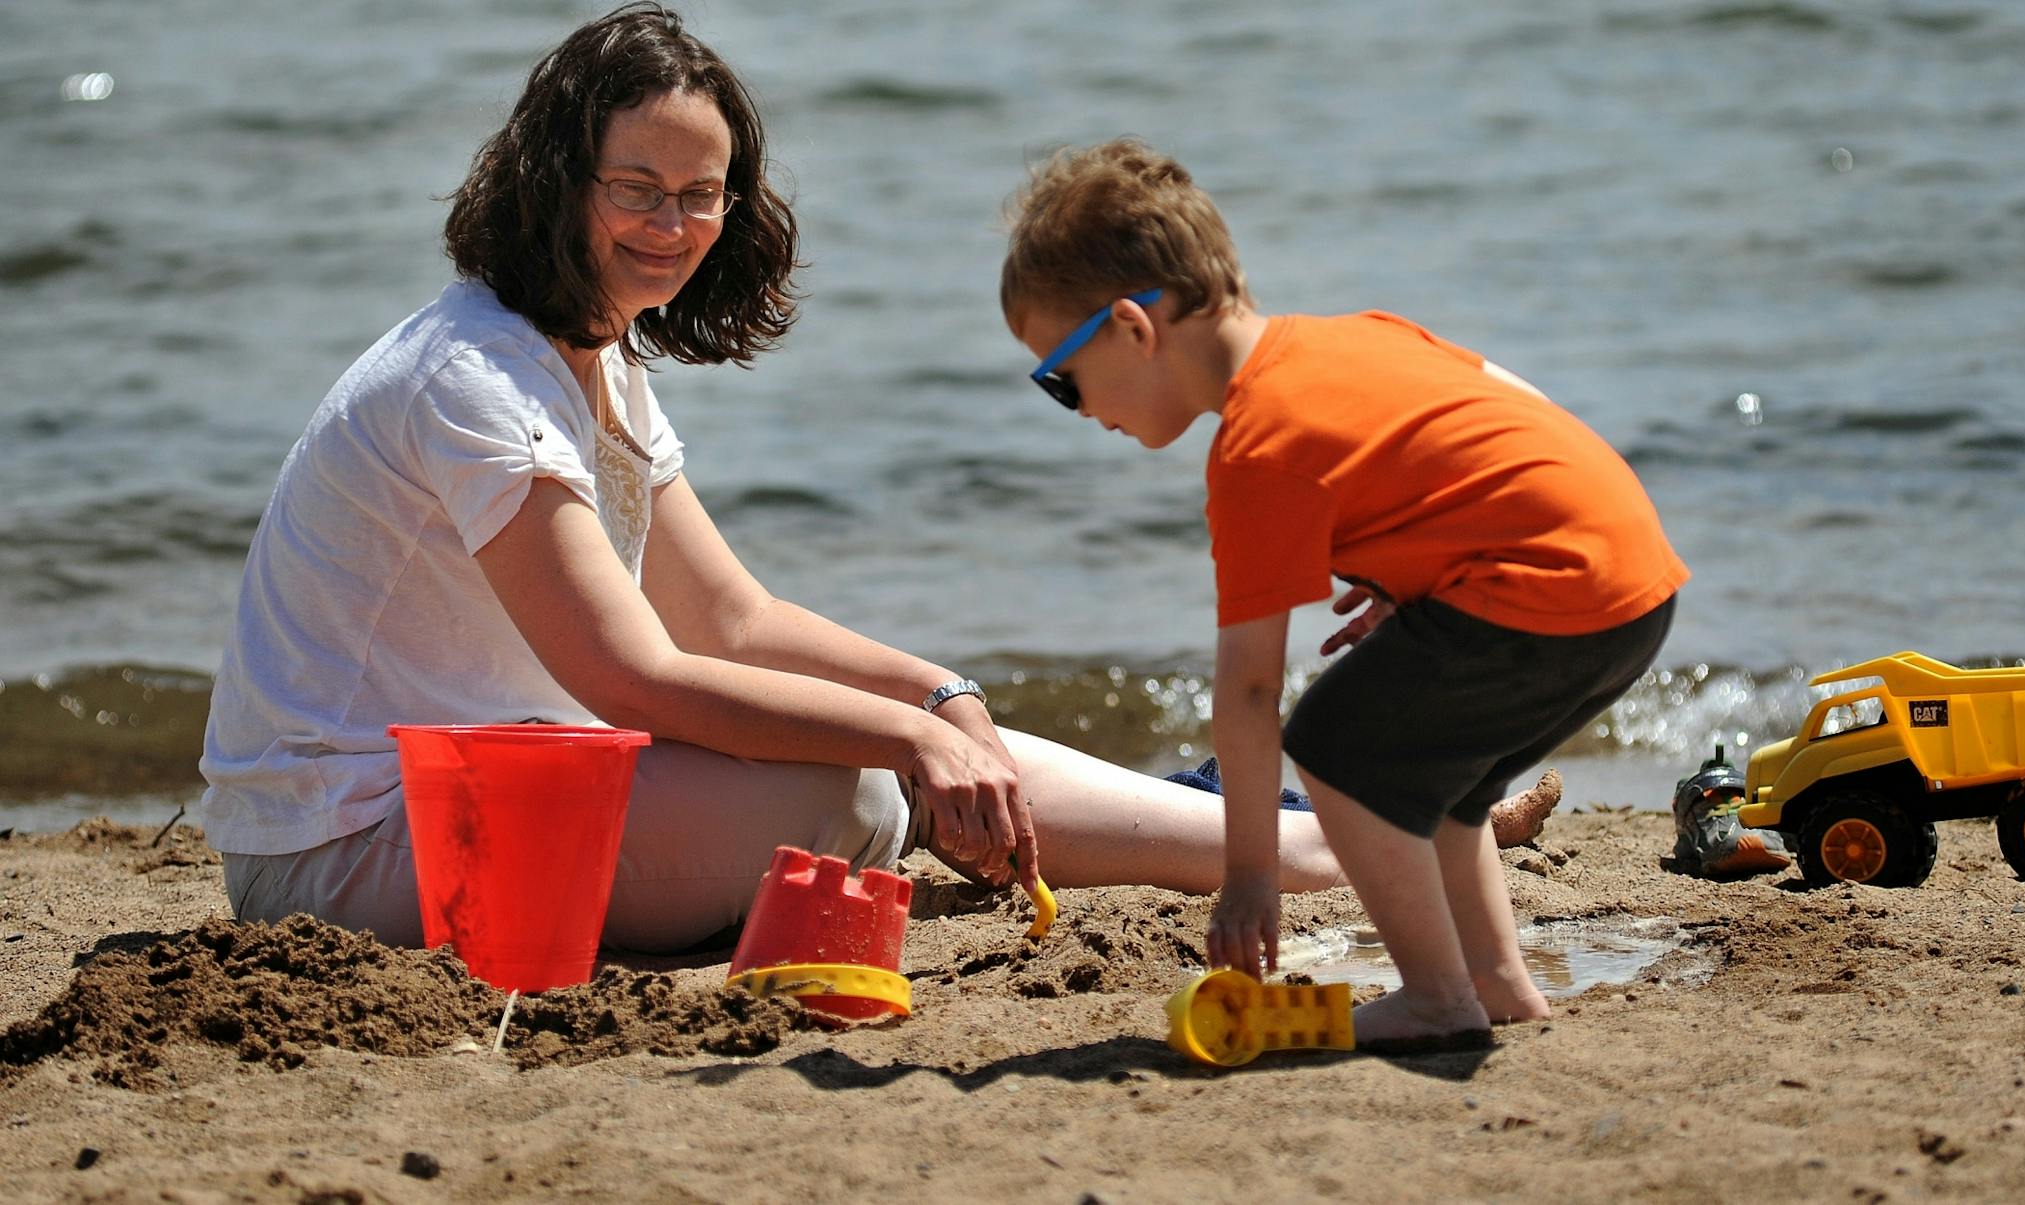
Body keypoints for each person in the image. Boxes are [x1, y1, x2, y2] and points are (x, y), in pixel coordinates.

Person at [198, 4, 1357, 954]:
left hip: (496, 787)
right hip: (338, 851)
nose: (675, 223)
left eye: (702, 193)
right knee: (848, 793)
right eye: (637, 187)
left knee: (918, 745)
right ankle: (1257, 823)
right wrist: (910, 744)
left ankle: (1307, 841)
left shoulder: (593, 362)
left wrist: (940, 695)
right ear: (557, 179)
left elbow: (735, 621)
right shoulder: (475, 377)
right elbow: (637, 673)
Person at [998, 140, 1688, 1044]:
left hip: (1552, 592)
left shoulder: (1256, 448)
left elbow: (1249, 689)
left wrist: (1249, 872)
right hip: (1628, 571)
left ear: (1132, 327)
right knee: (1436, 780)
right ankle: (1498, 984)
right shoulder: (1354, 337)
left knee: (1333, 746)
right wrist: (1440, 571)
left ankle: (1440, 996)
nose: (1080, 410)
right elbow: (1512, 407)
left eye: (1063, 380)